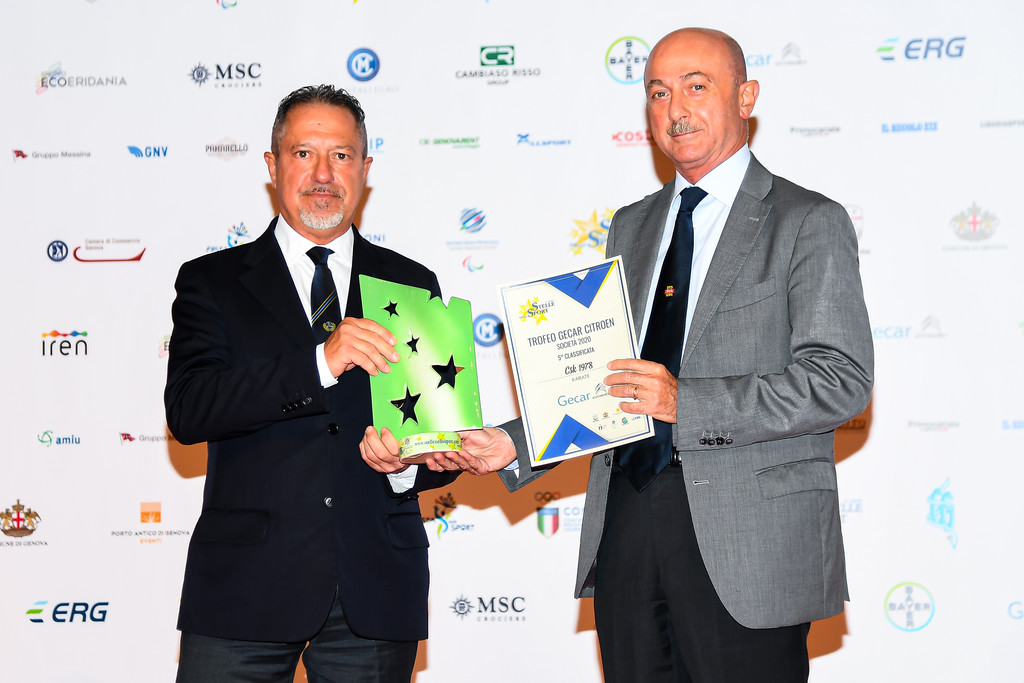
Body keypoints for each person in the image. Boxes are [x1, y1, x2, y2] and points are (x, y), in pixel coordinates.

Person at [387, 27, 874, 682]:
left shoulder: (806, 220)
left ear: (746, 96)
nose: (676, 109)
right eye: (658, 92)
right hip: (626, 526)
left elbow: (840, 379)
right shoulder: (632, 224)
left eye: (697, 86)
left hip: (748, 541)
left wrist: (686, 402)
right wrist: (512, 444)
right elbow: (609, 384)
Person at [165, 84, 459, 682]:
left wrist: (405, 466)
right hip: (242, 591)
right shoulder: (210, 281)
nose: (323, 174)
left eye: (341, 155)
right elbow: (191, 410)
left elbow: (439, 447)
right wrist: (319, 362)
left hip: (374, 590)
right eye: (304, 154)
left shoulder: (412, 284)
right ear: (273, 166)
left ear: (365, 170)